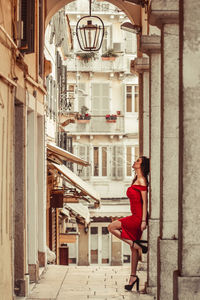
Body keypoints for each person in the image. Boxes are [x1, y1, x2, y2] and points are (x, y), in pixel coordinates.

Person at [108, 156, 150, 292]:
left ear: (142, 166)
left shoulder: (142, 181)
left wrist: (143, 220)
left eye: (138, 161)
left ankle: (137, 244)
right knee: (133, 251)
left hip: (137, 218)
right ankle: (132, 278)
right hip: (135, 216)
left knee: (111, 227)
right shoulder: (136, 180)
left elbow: (145, 203)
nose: (134, 161)